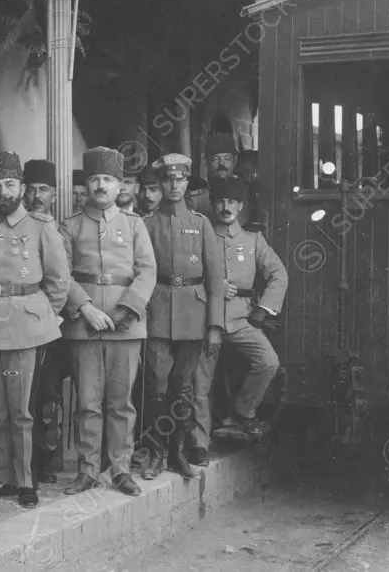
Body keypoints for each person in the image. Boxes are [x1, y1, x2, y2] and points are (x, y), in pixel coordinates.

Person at [0, 152, 70, 509]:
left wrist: (41, 318)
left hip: (25, 327)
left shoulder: (41, 227)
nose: (2, 191)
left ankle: (26, 480)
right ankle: (3, 477)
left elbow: (59, 282)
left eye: (10, 184)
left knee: (21, 408)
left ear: (22, 188)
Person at [59, 147, 156, 497]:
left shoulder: (134, 225)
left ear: (119, 186)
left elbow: (148, 271)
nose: (101, 185)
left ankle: (120, 469)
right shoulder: (70, 226)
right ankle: (87, 470)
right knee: (87, 401)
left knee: (120, 402)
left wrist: (126, 308)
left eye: (109, 180)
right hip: (85, 325)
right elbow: (62, 275)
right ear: (87, 185)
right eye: (95, 179)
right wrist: (86, 308)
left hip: (125, 325)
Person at [189, 178, 286, 464]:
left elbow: (278, 275)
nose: (225, 207)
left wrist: (264, 309)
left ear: (241, 207)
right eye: (220, 201)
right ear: (212, 204)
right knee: (199, 384)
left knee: (268, 361)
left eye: (232, 202)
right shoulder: (200, 235)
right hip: (206, 319)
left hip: (241, 317)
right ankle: (199, 443)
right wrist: (213, 285)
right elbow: (186, 273)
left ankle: (241, 413)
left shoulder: (253, 239)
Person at [140, 153, 224, 481]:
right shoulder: (145, 225)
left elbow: (216, 280)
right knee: (157, 385)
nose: (174, 186)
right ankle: (156, 453)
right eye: (167, 180)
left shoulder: (201, 225)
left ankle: (177, 452)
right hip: (157, 310)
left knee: (182, 387)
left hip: (193, 313)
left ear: (187, 183)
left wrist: (214, 326)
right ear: (159, 185)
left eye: (179, 180)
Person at [21, 158, 69, 485]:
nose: (38, 196)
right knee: (24, 395)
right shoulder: (17, 228)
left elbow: (65, 280)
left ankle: (46, 458)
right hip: (21, 324)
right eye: (32, 189)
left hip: (53, 326)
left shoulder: (62, 231)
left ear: (54, 193)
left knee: (48, 395)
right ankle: (24, 463)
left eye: (44, 190)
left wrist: (48, 316)